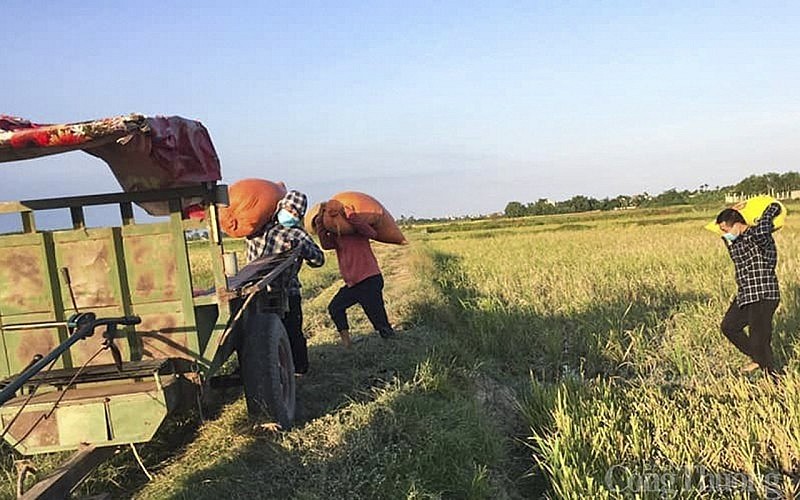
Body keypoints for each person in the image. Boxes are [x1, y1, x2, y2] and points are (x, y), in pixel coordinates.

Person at [246, 190, 324, 374]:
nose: (291, 214)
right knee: (257, 334)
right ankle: (262, 371)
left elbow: (319, 260)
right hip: (256, 293)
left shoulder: (298, 235)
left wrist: (302, 249)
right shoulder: (259, 228)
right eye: (290, 209)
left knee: (292, 332)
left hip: (287, 291)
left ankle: (300, 370)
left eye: (296, 213)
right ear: (281, 206)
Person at [314, 203, 395, 347]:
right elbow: (325, 245)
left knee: (378, 319)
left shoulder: (358, 231)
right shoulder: (336, 235)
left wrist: (351, 216)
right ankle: (347, 344)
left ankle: (392, 344)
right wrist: (320, 220)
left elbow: (372, 233)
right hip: (353, 283)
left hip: (369, 279)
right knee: (335, 308)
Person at [716, 202, 782, 376]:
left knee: (759, 340)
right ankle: (758, 359)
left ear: (737, 224)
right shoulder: (735, 243)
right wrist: (732, 211)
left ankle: (774, 378)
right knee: (729, 326)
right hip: (745, 295)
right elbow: (726, 235)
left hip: (763, 293)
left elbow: (774, 206)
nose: (725, 235)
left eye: (726, 230)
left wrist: (751, 211)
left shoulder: (759, 237)